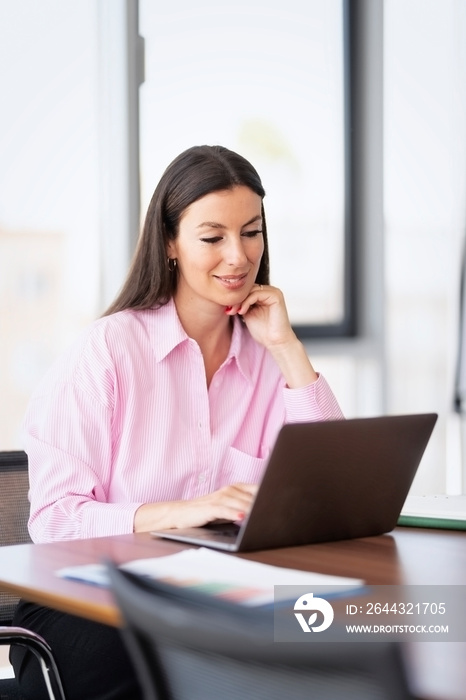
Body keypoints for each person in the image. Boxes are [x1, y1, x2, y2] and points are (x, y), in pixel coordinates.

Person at [11, 145, 344, 699]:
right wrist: (188, 513)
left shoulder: (268, 359)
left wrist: (287, 348)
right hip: (92, 600)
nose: (238, 256)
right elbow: (56, 521)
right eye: (212, 237)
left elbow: (331, 494)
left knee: (343, 642)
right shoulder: (109, 350)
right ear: (170, 242)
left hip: (211, 595)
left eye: (252, 232)